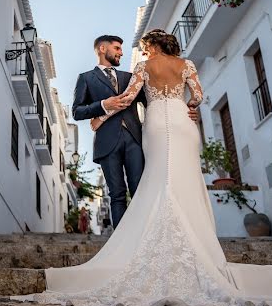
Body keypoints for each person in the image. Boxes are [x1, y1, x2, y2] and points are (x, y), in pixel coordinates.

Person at [13, 29, 272, 306]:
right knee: (170, 182)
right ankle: (182, 242)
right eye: (119, 48)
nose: (137, 53)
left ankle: (138, 245)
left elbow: (131, 97)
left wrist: (105, 112)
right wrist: (190, 109)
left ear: (151, 46)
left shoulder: (142, 69)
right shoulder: (185, 65)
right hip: (179, 122)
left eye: (142, 48)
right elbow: (197, 96)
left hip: (154, 127)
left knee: (154, 182)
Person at [70, 34, 198, 228]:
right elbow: (77, 112)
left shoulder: (130, 77)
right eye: (117, 48)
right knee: (116, 194)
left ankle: (144, 236)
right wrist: (103, 104)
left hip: (135, 139)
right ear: (102, 49)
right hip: (107, 142)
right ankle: (120, 241)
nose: (121, 52)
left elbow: (153, 103)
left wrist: (181, 112)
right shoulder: (86, 78)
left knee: (140, 189)